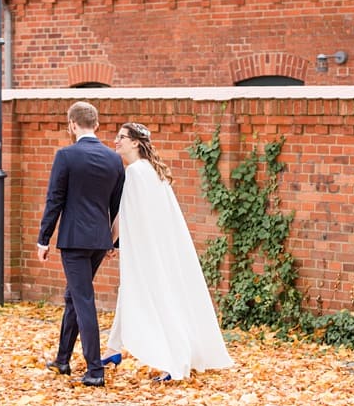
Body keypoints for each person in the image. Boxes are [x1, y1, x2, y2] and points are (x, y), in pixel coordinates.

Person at [104, 122, 234, 382]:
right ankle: (112, 349)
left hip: (146, 251)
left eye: (121, 137)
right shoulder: (150, 171)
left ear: (135, 143)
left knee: (155, 299)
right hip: (155, 248)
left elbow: (130, 215)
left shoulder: (137, 173)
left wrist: (112, 240)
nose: (116, 141)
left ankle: (174, 360)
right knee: (128, 291)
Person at [36, 101, 125, 388]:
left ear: (72, 124)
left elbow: (55, 200)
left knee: (83, 299)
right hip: (99, 240)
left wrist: (43, 238)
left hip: (74, 241)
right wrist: (115, 243)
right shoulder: (114, 159)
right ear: (96, 125)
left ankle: (95, 369)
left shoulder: (66, 156)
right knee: (74, 297)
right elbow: (118, 205)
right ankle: (62, 359)